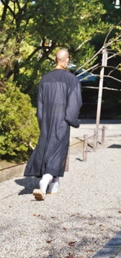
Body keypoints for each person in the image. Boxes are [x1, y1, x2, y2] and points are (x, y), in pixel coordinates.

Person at [25, 48, 82, 200]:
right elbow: (75, 103)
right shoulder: (72, 80)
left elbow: (40, 104)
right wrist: (72, 120)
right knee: (58, 151)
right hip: (62, 121)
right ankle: (45, 180)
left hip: (47, 120)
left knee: (48, 150)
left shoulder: (45, 79)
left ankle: (54, 184)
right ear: (67, 60)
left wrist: (42, 121)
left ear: (56, 60)